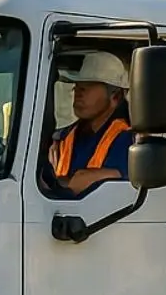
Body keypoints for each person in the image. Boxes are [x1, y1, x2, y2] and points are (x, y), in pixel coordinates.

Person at [45, 51, 134, 196]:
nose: (78, 91)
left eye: (89, 85)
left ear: (116, 97)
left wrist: (66, 182)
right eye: (78, 84)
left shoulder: (127, 141)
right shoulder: (61, 138)